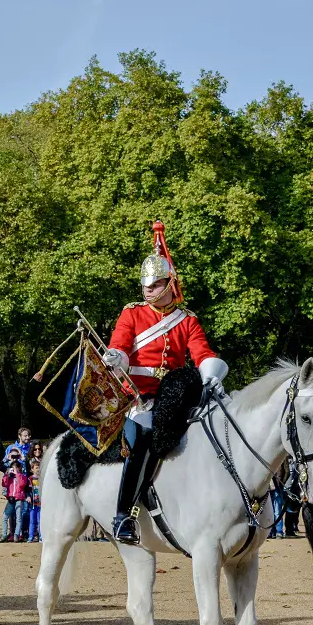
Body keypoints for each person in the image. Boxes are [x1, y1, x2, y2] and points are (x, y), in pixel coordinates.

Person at [101, 221, 228, 545]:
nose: (147, 289)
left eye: (155, 284)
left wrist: (211, 375)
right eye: (145, 285)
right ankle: (122, 515)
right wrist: (117, 355)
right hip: (139, 396)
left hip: (176, 395)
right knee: (142, 439)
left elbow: (201, 354)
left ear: (170, 283)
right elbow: (120, 342)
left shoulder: (187, 319)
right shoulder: (132, 314)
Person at [0, 447, 29, 542]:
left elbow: (22, 484)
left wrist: (17, 474)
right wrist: (7, 475)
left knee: (19, 518)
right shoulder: (9, 476)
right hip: (11, 499)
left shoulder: (22, 476)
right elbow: (4, 484)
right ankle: (4, 535)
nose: (14, 469)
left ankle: (16, 535)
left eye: (16, 467)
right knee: (5, 516)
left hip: (19, 499)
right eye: (13, 467)